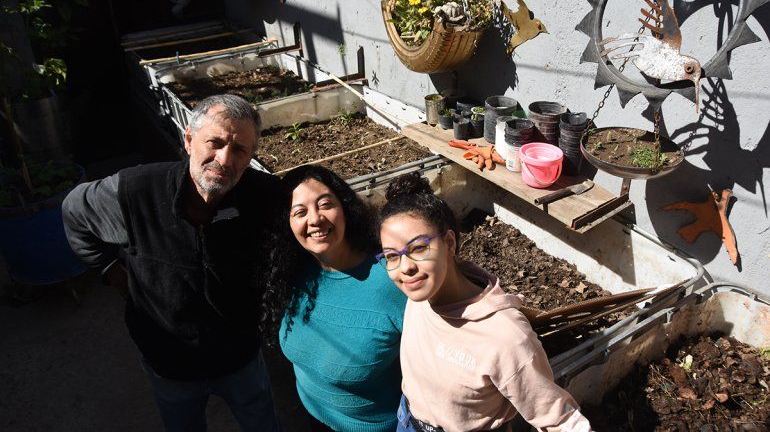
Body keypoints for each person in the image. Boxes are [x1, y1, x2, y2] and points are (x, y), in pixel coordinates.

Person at [62, 94, 283, 432]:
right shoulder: (135, 192)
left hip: (241, 357)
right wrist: (109, 270)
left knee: (261, 421)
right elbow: (74, 210)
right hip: (168, 361)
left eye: (240, 150)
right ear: (189, 140)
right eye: (215, 142)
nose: (224, 159)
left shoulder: (263, 194)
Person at [377, 173, 592, 432]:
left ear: (449, 243)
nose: (406, 268)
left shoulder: (506, 336)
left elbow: (559, 419)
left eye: (419, 248)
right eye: (391, 256)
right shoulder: (419, 294)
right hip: (408, 419)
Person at [278, 165, 406, 431]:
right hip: (313, 416)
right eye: (300, 212)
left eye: (325, 205)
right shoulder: (292, 272)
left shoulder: (392, 280)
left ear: (345, 207)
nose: (314, 219)